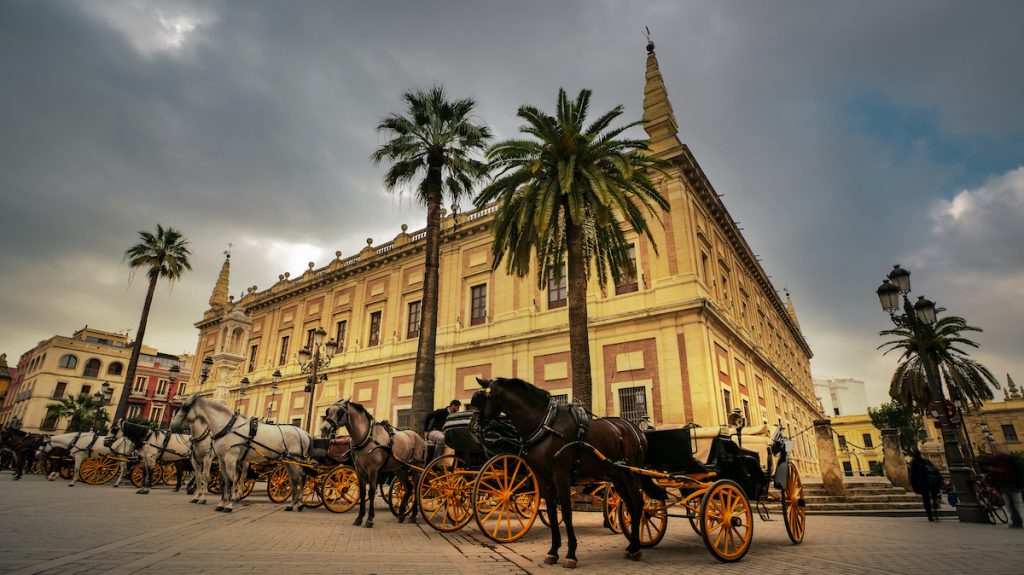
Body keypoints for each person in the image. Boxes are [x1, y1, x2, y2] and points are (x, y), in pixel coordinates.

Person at [988, 447, 1024, 528]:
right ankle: (1017, 521)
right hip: (1015, 484)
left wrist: (993, 471)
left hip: (1007, 484)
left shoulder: (1001, 460)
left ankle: (1017, 522)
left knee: (1011, 504)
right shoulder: (1012, 459)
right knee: (1014, 503)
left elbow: (998, 473)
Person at [909, 452, 942, 521]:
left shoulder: (914, 463)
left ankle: (930, 515)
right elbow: (935, 471)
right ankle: (935, 512)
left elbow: (912, 476)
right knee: (933, 497)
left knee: (926, 499)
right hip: (931, 483)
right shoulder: (926, 461)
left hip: (923, 484)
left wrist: (914, 486)